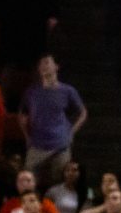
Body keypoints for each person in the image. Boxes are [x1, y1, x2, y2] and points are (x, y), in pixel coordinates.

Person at [19, 54, 86, 185]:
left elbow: (82, 112)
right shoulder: (32, 92)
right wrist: (26, 136)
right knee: (28, 180)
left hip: (60, 144)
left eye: (47, 63)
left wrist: (71, 132)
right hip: (37, 144)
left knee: (59, 182)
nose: (44, 66)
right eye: (41, 64)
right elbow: (22, 114)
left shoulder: (67, 91)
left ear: (56, 67)